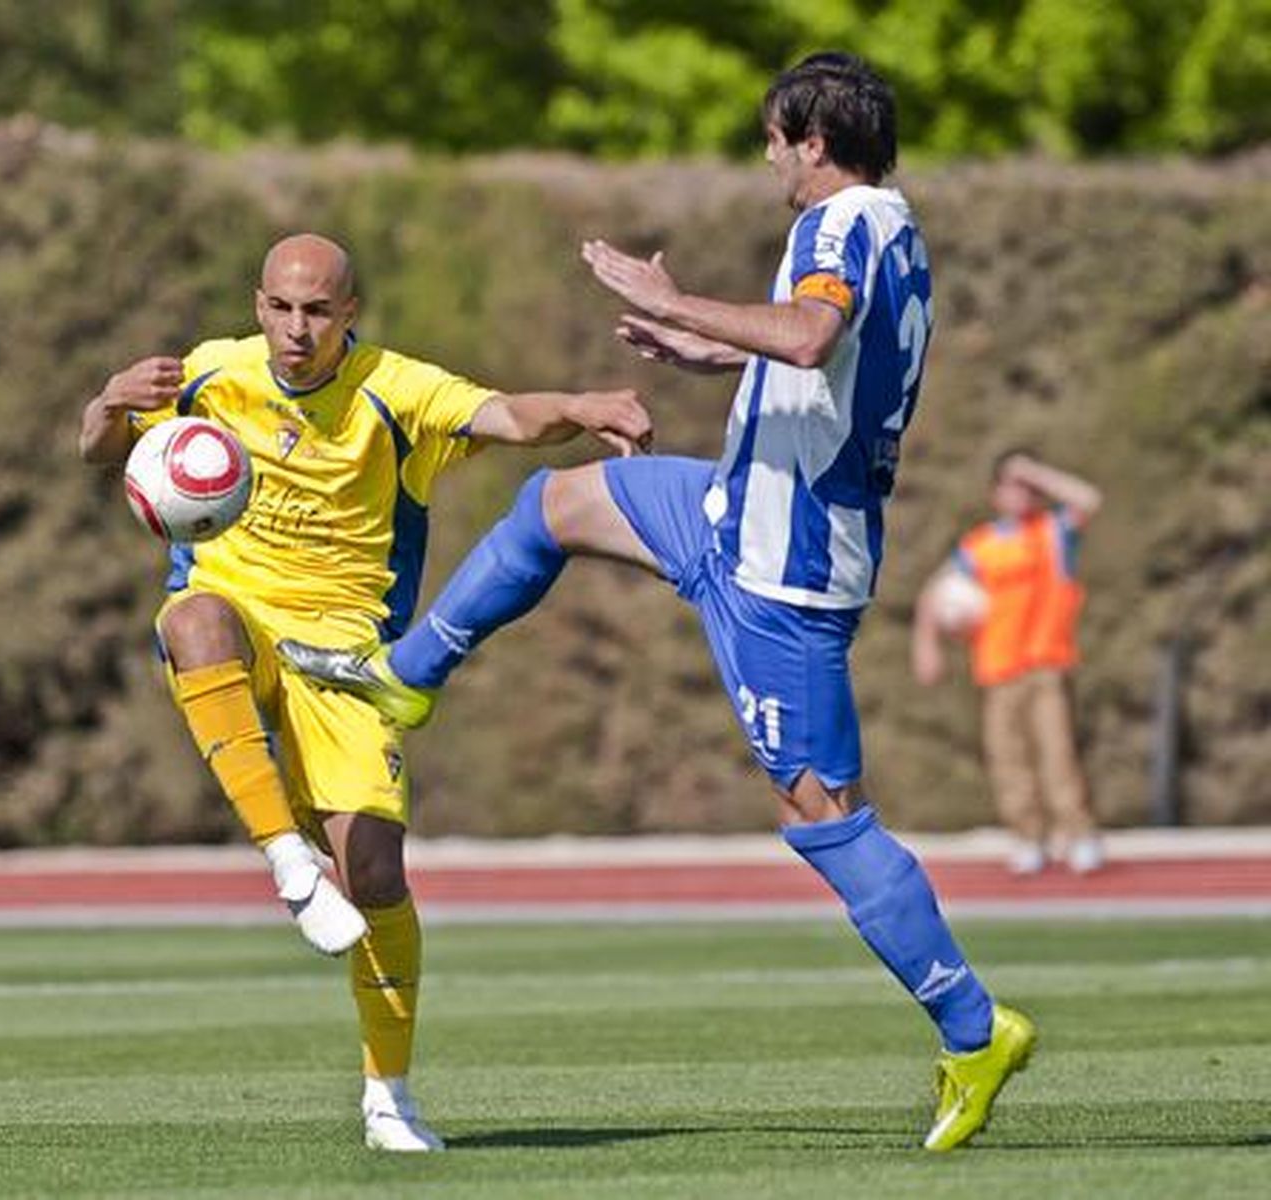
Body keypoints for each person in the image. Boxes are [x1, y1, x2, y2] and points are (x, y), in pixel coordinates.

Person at [279, 53, 1035, 1152]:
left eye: (775, 139)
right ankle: (407, 678)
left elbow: (813, 337)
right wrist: (695, 346)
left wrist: (674, 296)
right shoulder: (892, 227)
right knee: (559, 505)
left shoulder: (837, 228)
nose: (768, 156)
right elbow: (822, 367)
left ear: (812, 141)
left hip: (784, 569)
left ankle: (973, 1028)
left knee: (820, 814)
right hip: (735, 512)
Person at [78, 232, 652, 1152]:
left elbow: (505, 416)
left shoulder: (395, 389)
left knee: (376, 868)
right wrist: (110, 400)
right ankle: (284, 859)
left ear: (351, 314)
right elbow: (100, 451)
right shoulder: (212, 375)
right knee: (194, 621)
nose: (295, 329)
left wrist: (582, 405)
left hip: (342, 650)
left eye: (317, 311)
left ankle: (390, 1095)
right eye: (279, 307)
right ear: (257, 303)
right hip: (237, 608)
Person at [913, 450, 1104, 875]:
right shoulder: (980, 545)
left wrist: (1034, 470)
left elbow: (1088, 500)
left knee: (1058, 756)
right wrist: (927, 646)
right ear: (995, 494)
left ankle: (1078, 835)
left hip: (1046, 665)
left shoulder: (1053, 531)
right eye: (1010, 485)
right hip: (997, 668)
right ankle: (1028, 838)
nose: (1019, 493)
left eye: (1026, 487)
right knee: (1007, 760)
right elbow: (934, 591)